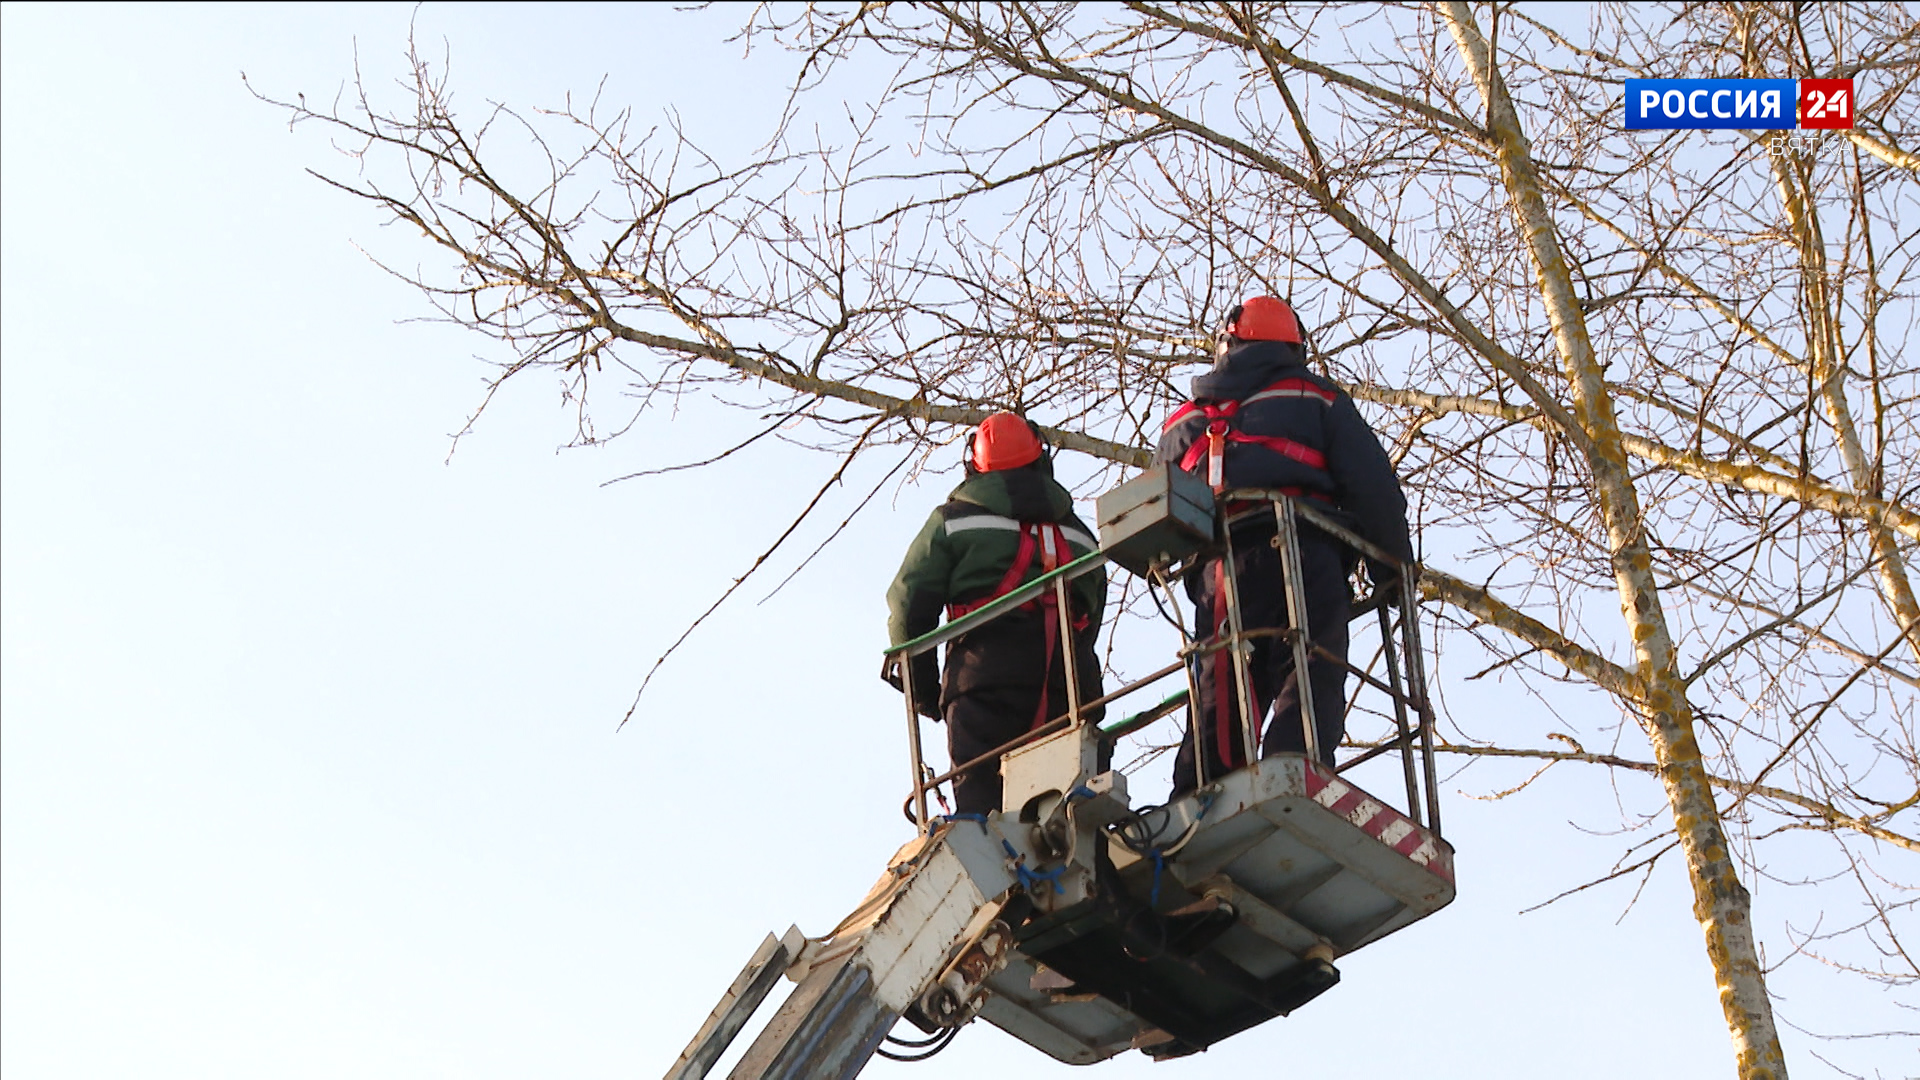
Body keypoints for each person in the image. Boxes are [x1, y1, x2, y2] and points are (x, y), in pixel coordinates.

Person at [1155, 296, 1413, 795]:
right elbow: (1374, 490)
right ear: (1293, 349)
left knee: (1222, 676)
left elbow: (1157, 516)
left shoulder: (1181, 423)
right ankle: (1295, 765)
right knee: (1310, 660)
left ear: (1226, 347)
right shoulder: (1318, 399)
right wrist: (1391, 571)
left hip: (1218, 571)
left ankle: (1200, 788)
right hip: (1302, 549)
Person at [887, 413, 1107, 816]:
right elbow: (1089, 620)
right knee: (1077, 816)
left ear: (973, 465)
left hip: (984, 683)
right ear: (1041, 458)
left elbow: (909, 608)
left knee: (985, 824)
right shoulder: (1083, 537)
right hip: (1070, 688)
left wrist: (923, 691)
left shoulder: (952, 523)